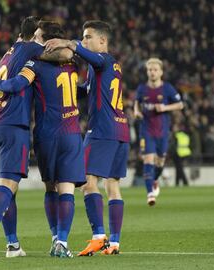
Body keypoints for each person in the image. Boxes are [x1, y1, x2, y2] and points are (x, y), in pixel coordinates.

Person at [0, 16, 71, 260]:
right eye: (38, 35)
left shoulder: (8, 53)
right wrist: (68, 43)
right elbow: (65, 55)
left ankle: (13, 245)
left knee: (7, 188)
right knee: (8, 185)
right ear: (32, 35)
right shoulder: (31, 48)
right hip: (12, 126)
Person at [46, 20, 130, 255]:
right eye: (83, 37)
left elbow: (86, 55)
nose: (84, 41)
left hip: (101, 131)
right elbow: (85, 90)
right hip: (121, 130)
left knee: (85, 183)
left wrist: (68, 43)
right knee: (112, 185)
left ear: (102, 40)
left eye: (87, 37)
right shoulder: (110, 66)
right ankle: (114, 243)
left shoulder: (102, 60)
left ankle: (98, 235)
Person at [134, 58, 184, 205]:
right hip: (146, 130)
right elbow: (137, 102)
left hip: (162, 132)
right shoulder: (142, 88)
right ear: (147, 72)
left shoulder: (167, 88)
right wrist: (136, 111)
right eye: (150, 70)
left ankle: (154, 179)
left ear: (161, 72)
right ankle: (150, 194)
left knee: (160, 162)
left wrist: (165, 108)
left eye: (155, 70)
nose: (152, 72)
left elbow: (180, 104)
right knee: (148, 160)